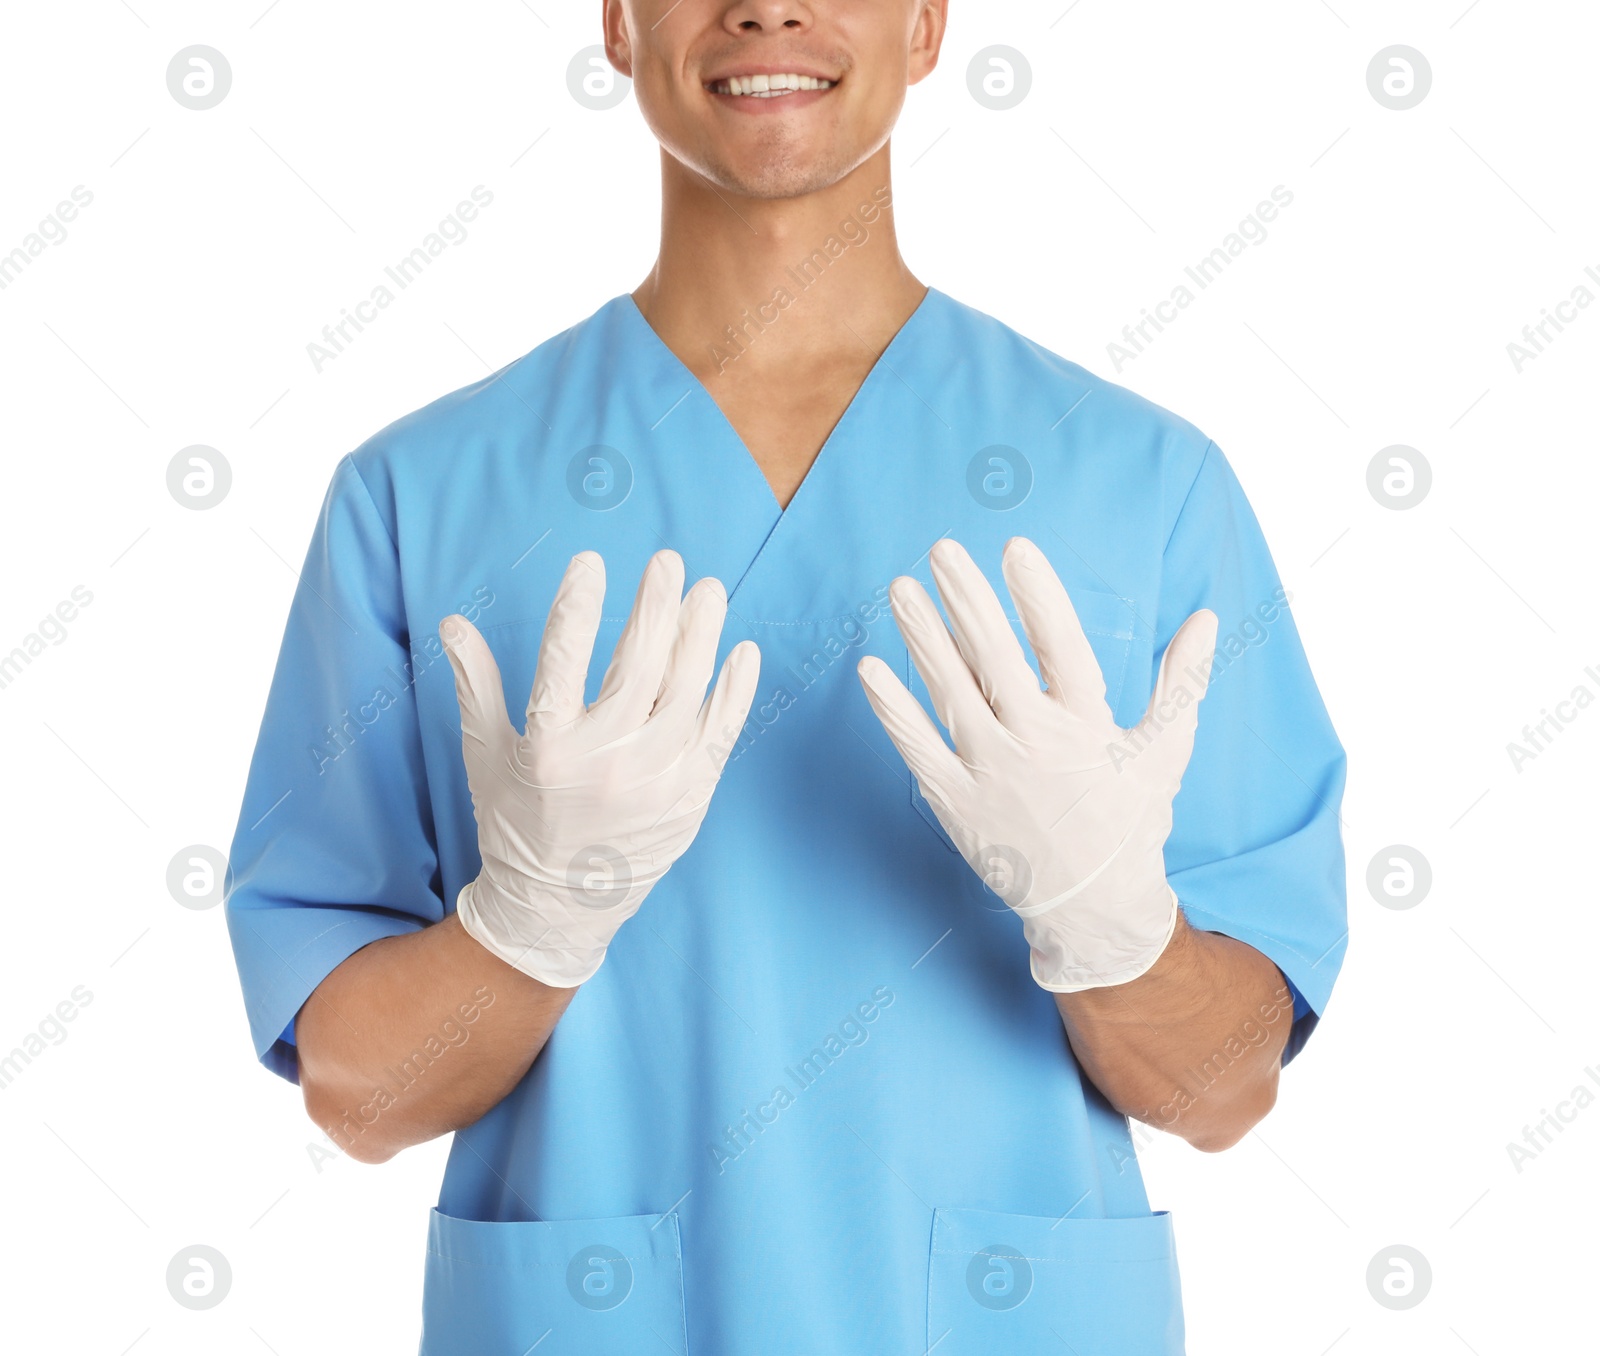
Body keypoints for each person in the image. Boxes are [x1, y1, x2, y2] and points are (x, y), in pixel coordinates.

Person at [223, 3, 1347, 1353]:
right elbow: (358, 1094)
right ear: (619, 25)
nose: (770, 7)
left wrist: (1109, 924)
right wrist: (523, 925)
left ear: (929, 25)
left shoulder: (1143, 487)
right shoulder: (423, 496)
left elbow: (1224, 1092)